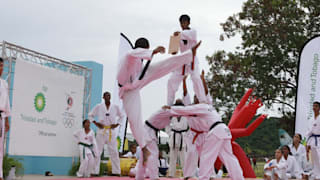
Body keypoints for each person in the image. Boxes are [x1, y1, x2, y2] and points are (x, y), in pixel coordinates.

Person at [117, 36, 201, 165]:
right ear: (141, 48)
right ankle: (144, 147)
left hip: (137, 81)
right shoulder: (129, 55)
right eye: (146, 50)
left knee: (162, 66)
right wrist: (153, 52)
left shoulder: (139, 60)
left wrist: (151, 53)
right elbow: (133, 53)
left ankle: (188, 55)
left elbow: (143, 60)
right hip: (128, 90)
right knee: (134, 120)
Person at [163, 103, 244, 180]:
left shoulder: (202, 106)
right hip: (224, 129)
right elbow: (189, 112)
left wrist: (171, 108)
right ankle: (239, 177)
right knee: (229, 157)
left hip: (215, 131)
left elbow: (187, 110)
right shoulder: (210, 108)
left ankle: (203, 178)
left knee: (206, 156)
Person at [167, 14, 206, 106]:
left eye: (185, 22)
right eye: (181, 23)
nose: (183, 24)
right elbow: (173, 52)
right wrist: (174, 43)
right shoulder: (178, 35)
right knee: (171, 81)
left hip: (192, 59)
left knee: (196, 78)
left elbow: (184, 35)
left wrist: (177, 35)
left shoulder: (193, 32)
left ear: (188, 22)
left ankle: (203, 101)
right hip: (183, 60)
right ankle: (169, 104)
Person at [88, 91, 125, 176]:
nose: (108, 97)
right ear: (103, 97)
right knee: (97, 151)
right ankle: (94, 171)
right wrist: (96, 123)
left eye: (109, 96)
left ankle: (116, 171)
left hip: (111, 131)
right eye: (106, 96)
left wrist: (117, 124)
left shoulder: (115, 107)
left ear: (110, 97)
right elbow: (90, 115)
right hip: (101, 130)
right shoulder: (99, 106)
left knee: (114, 151)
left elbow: (122, 115)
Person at [166, 99, 188, 177]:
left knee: (184, 157)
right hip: (174, 135)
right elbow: (167, 124)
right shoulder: (172, 114)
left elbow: (191, 125)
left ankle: (186, 174)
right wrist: (169, 134)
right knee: (172, 157)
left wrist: (187, 135)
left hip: (183, 135)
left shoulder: (186, 114)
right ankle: (171, 174)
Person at [0, 57, 11, 180]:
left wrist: (7, 120)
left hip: (1, 117)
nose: (1, 68)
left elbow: (7, 103)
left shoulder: (4, 83)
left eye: (2, 66)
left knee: (0, 148)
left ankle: (0, 174)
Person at [306, 101, 320, 179]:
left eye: (316, 106)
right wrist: (307, 144)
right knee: (314, 158)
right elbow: (308, 132)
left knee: (319, 157)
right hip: (312, 140)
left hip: (319, 140)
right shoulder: (311, 119)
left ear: (319, 108)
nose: (314, 108)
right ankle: (316, 174)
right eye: (313, 106)